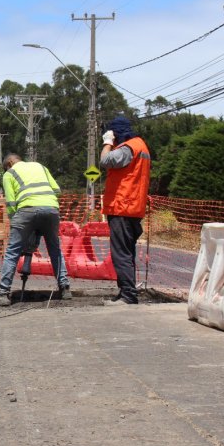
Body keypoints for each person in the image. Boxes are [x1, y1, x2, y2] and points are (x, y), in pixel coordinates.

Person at [0, 153, 70, 307]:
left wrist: (17, 222)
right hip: (51, 208)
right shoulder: (40, 166)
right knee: (54, 249)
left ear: (10, 163)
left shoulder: (9, 174)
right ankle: (65, 288)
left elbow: (11, 202)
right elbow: (56, 190)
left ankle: (3, 293)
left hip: (26, 211)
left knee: (12, 252)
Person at [99, 116, 151, 306]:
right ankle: (126, 293)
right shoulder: (140, 146)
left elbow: (105, 160)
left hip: (123, 207)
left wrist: (107, 142)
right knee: (126, 254)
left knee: (121, 254)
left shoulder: (128, 147)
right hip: (132, 207)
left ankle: (128, 295)